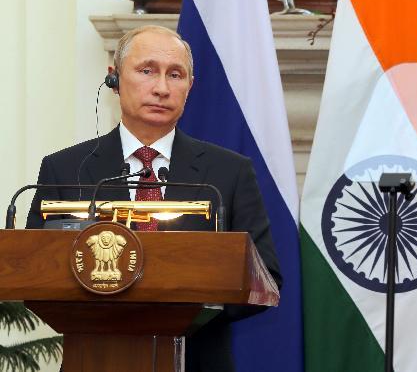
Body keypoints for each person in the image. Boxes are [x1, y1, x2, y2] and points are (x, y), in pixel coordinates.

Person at [25, 25, 282, 372]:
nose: (161, 88)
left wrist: (190, 309)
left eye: (175, 75)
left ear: (190, 86)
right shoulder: (65, 168)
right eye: (147, 70)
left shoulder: (230, 172)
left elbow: (266, 276)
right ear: (114, 79)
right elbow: (34, 273)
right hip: (95, 357)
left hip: (198, 358)